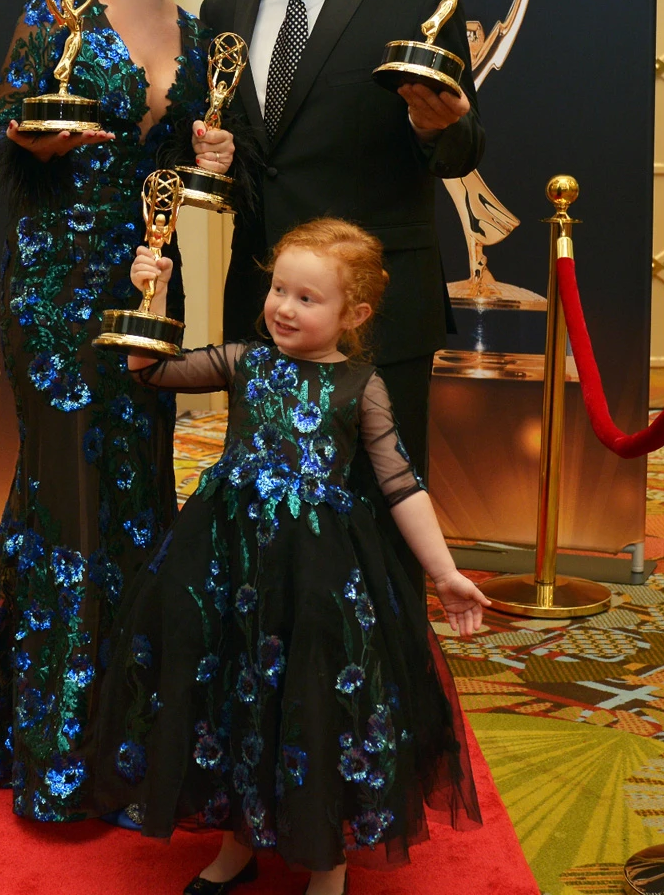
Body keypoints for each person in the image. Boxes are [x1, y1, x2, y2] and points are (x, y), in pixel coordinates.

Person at [0, 0, 239, 822]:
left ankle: (129, 733)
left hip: (149, 293)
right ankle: (58, 759)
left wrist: (210, 156)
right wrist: (37, 138)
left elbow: (183, 172)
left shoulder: (200, 37)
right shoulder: (58, 14)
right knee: (69, 501)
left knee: (138, 493)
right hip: (57, 292)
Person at [83, 219, 490, 895]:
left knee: (312, 700)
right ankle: (236, 843)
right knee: (233, 696)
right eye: (278, 290)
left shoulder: (361, 385)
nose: (284, 308)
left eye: (307, 298)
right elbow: (148, 368)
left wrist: (445, 573)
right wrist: (153, 292)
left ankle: (327, 863)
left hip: (317, 575)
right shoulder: (245, 360)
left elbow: (401, 484)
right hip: (229, 563)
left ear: (354, 315)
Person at [200, 0, 486, 475]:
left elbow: (465, 147)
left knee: (380, 507)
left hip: (376, 310)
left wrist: (432, 126)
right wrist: (213, 157)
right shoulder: (223, 13)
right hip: (265, 307)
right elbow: (252, 159)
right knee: (266, 503)